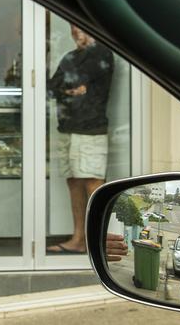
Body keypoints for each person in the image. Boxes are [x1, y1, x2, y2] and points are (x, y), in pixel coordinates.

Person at [47, 25, 114, 254]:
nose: (78, 33)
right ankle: (79, 239)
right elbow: (53, 86)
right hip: (67, 129)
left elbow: (78, 80)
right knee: (73, 181)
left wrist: (72, 86)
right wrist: (72, 89)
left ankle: (97, 243)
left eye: (82, 28)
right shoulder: (70, 57)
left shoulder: (102, 53)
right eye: (75, 29)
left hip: (91, 131)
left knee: (93, 183)